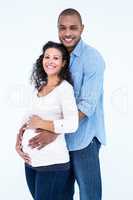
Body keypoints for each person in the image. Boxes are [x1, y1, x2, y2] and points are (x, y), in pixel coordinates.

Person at [16, 8, 106, 200]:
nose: (67, 33)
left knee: (90, 195)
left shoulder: (92, 59)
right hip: (58, 147)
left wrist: (53, 131)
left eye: (73, 28)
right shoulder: (56, 56)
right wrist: (21, 135)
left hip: (84, 140)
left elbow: (87, 105)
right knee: (61, 195)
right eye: (62, 28)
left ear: (82, 29)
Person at [16, 41, 79, 200]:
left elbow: (72, 124)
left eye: (56, 58)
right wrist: (18, 140)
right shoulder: (40, 87)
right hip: (31, 161)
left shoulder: (65, 89)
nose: (50, 61)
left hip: (52, 163)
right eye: (47, 57)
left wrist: (43, 124)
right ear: (42, 59)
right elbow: (28, 117)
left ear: (63, 63)